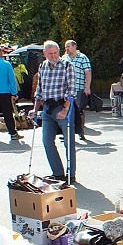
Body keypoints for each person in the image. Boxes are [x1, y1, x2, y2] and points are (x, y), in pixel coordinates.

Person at [34, 40, 76, 182]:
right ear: (44, 53)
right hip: (47, 108)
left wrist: (65, 109)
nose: (53, 56)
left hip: (62, 106)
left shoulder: (66, 65)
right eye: (50, 53)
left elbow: (71, 90)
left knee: (68, 142)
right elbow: (39, 89)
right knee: (47, 141)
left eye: (55, 53)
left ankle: (71, 174)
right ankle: (58, 172)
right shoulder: (43, 66)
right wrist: (35, 110)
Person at [64, 39, 93, 141]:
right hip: (66, 90)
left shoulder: (82, 58)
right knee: (65, 110)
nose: (66, 49)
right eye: (65, 47)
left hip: (79, 89)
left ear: (74, 46)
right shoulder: (64, 58)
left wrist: (87, 87)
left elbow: (88, 72)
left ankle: (80, 132)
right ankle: (66, 133)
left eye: (68, 46)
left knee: (79, 111)